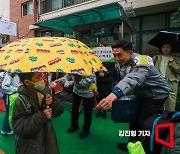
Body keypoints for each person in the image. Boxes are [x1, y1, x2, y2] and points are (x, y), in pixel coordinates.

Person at [96, 40, 170, 151]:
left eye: (119, 55)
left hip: (155, 95)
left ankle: (141, 149)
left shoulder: (143, 60)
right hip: (140, 92)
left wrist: (111, 97)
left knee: (143, 122)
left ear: (130, 52)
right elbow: (124, 80)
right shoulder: (120, 62)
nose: (116, 58)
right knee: (132, 119)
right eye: (114, 55)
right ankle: (131, 144)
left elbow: (131, 80)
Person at [12, 72, 64, 154]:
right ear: (27, 82)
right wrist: (42, 115)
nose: (42, 80)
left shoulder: (44, 92)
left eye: (41, 76)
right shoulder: (21, 102)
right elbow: (19, 128)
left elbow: (59, 111)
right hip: (31, 146)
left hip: (48, 139)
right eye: (38, 77)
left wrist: (52, 102)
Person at [67, 74, 96, 138]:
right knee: (74, 108)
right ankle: (74, 125)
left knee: (87, 111)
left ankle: (86, 129)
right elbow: (69, 73)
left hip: (88, 92)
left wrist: (76, 81)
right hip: (76, 91)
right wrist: (66, 80)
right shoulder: (75, 64)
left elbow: (89, 81)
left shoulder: (90, 67)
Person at [152, 45, 180, 111]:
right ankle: (158, 118)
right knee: (158, 100)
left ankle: (169, 117)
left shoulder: (176, 59)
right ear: (161, 48)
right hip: (159, 81)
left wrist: (172, 62)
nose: (166, 49)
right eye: (163, 47)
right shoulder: (156, 58)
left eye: (168, 47)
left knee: (170, 102)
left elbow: (178, 70)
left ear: (171, 48)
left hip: (171, 82)